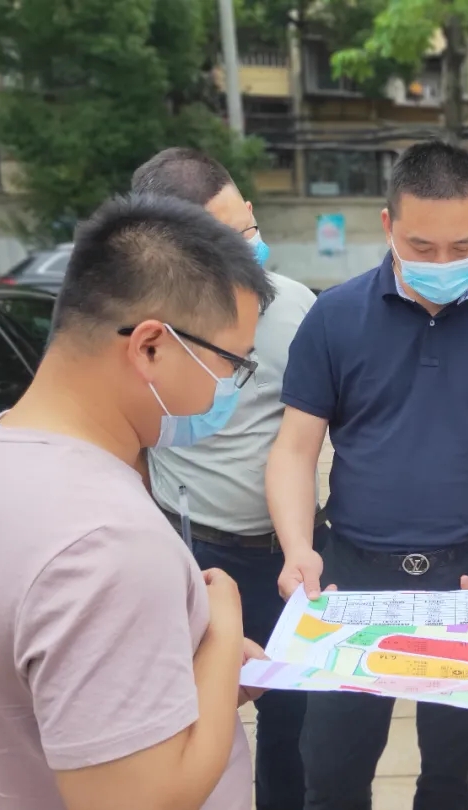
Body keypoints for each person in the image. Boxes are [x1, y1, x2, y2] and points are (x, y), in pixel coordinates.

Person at [266, 140, 468, 810]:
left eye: (462, 246)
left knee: (451, 771)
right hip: (350, 576)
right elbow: (294, 450)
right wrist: (297, 546)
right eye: (422, 247)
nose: (442, 263)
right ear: (388, 224)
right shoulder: (335, 316)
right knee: (332, 773)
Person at [0, 194, 274, 810]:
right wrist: (222, 628)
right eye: (230, 362)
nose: (229, 386)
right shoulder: (106, 543)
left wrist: (200, 679)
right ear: (151, 346)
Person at [131, 148, 318, 810]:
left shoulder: (297, 308)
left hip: (290, 558)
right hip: (193, 553)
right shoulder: (141, 331)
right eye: (226, 241)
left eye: (250, 228)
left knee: (295, 724)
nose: (250, 249)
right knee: (190, 719)